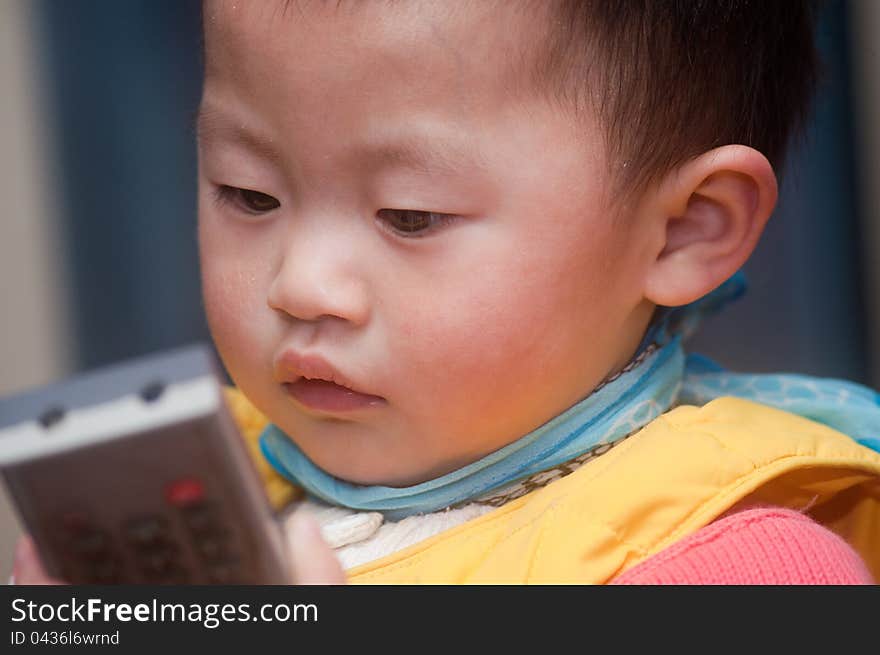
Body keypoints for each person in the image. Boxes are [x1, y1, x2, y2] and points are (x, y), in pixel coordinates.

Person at [14, 0, 880, 585]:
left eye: (411, 215)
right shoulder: (199, 499)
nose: (302, 284)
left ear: (687, 228)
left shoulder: (736, 565)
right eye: (249, 194)